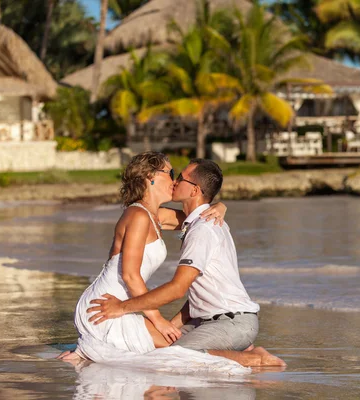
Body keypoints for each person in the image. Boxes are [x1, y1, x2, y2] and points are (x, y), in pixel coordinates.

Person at [58, 152, 278, 370]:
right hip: (105, 305)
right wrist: (158, 319)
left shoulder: (157, 216)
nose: (174, 180)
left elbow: (200, 216)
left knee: (169, 352)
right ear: (150, 176)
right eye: (171, 173)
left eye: (178, 176)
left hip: (122, 306)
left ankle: (95, 351)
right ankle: (249, 357)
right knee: (170, 354)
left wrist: (220, 206)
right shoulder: (138, 215)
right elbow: (129, 275)